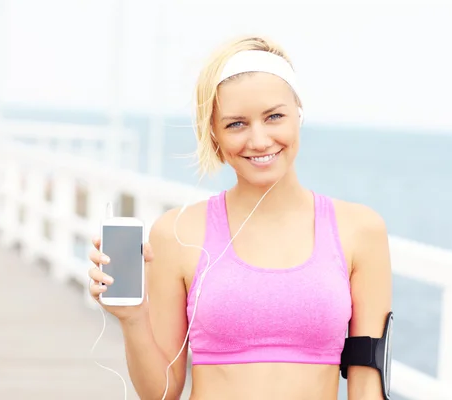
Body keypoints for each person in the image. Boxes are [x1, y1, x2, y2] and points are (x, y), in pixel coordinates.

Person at [88, 35, 392, 400]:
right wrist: (134, 317)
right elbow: (161, 393)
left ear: (299, 114)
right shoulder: (178, 232)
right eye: (236, 124)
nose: (260, 140)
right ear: (213, 133)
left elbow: (367, 386)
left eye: (274, 116)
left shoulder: (360, 231)